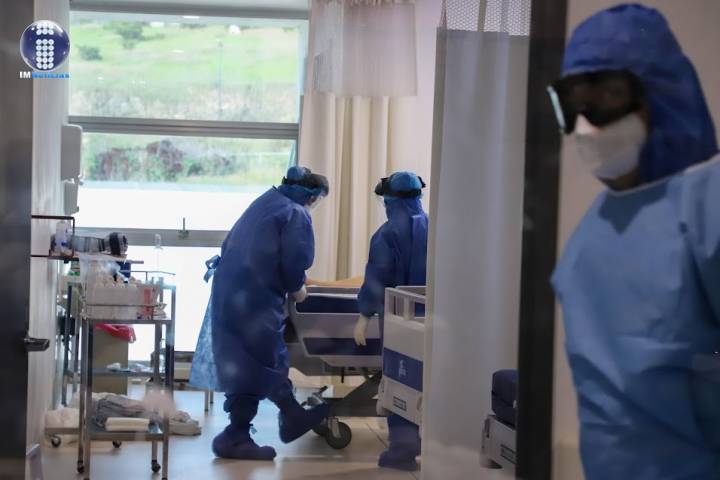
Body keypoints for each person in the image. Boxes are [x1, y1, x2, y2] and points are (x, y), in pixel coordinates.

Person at [550, 4, 720, 479]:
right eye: (574, 101)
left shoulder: (706, 208)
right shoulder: (590, 234)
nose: (587, 124)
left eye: (607, 96)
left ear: (660, 93)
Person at [189, 166, 331, 460]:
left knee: (244, 362)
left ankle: (257, 426)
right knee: (264, 359)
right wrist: (298, 289)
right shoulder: (295, 213)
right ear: (312, 195)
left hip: (230, 293)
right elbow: (294, 262)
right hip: (255, 298)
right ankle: (257, 429)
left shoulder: (266, 201)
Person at [353, 171, 428, 471]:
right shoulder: (435, 227)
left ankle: (402, 449)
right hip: (434, 319)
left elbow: (376, 279)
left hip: (399, 321)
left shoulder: (386, 235)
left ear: (389, 200)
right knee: (429, 380)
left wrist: (363, 315)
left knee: (401, 379)